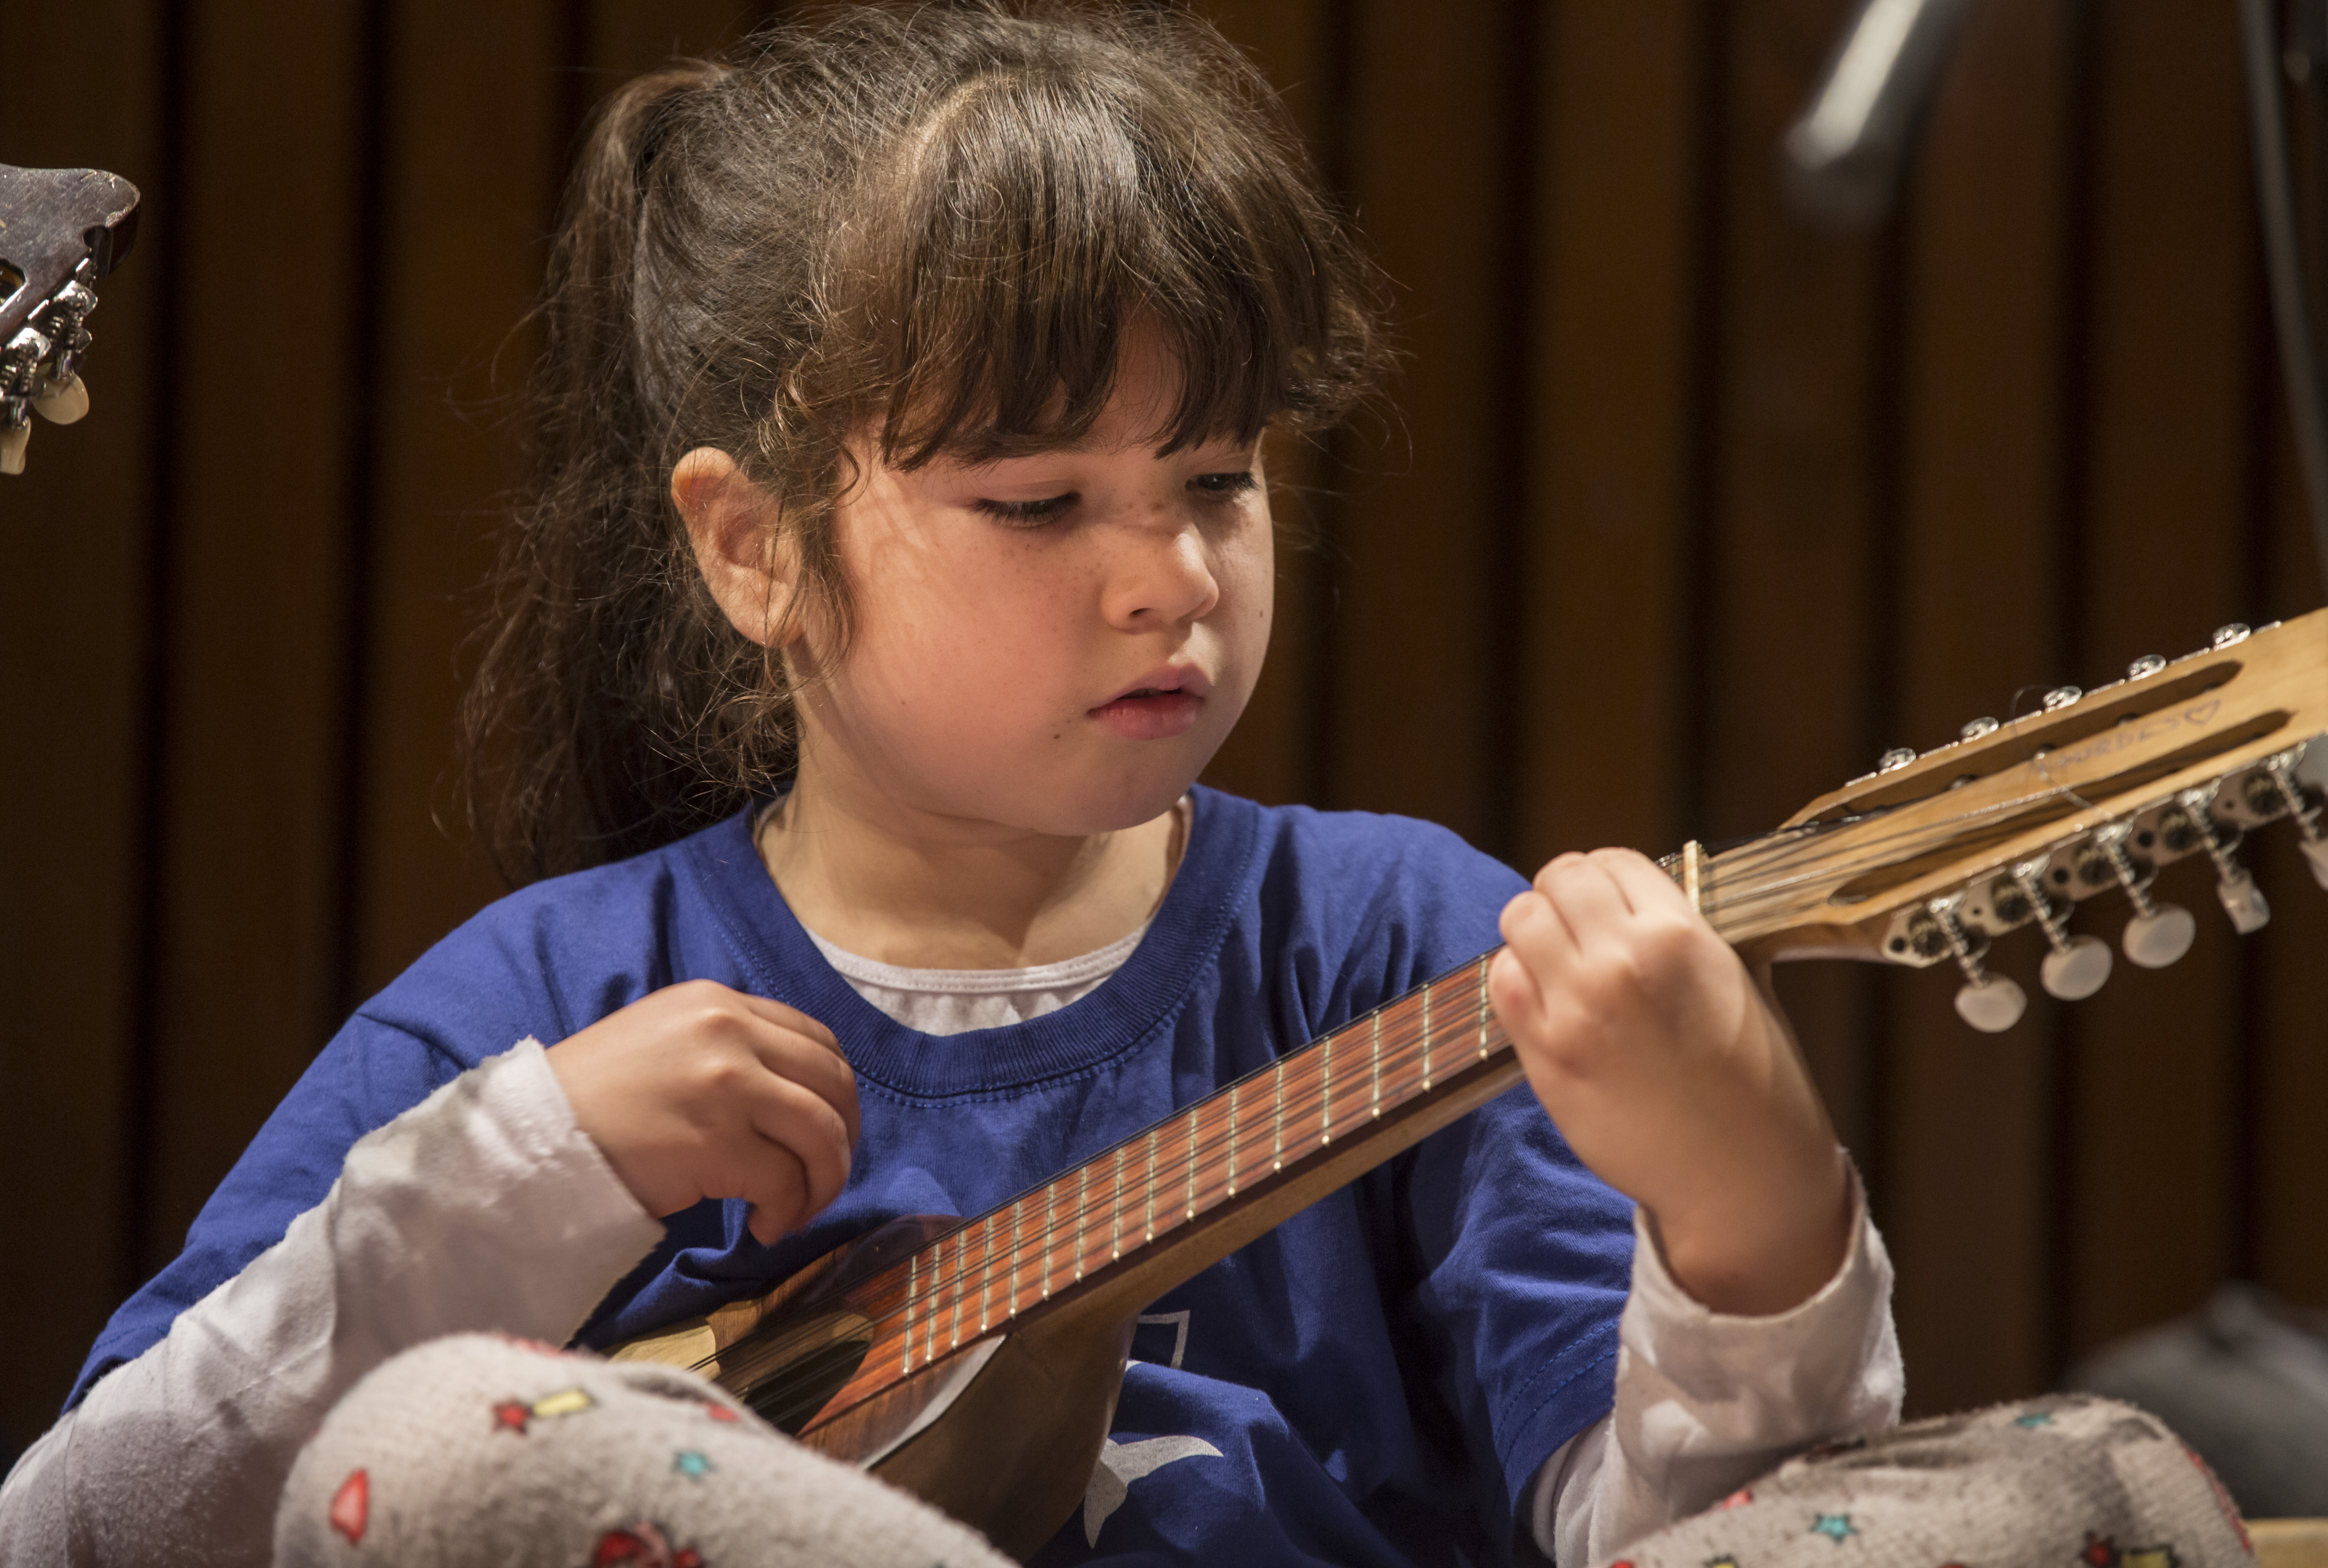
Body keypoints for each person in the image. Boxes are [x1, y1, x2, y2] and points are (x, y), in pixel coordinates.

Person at [0, 5, 1900, 1563]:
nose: (1172, 576)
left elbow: (1695, 1543)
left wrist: (1750, 1211)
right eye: (1039, 502)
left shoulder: (1411, 942)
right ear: (754, 548)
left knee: (2029, 1485)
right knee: (447, 1450)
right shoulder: (548, 1011)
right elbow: (84, 1531)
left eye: (1217, 477)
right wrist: (532, 1175)